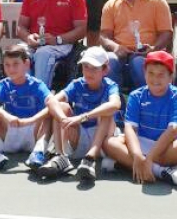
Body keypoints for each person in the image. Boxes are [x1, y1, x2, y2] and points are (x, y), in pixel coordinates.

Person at [102, 51, 177, 187]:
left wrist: (150, 158)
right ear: (144, 74)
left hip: (168, 144)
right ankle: (160, 171)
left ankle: (125, 163)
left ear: (171, 77)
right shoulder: (136, 96)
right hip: (142, 142)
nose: (155, 79)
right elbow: (130, 128)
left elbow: (172, 132)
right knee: (109, 143)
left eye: (161, 74)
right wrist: (137, 154)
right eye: (151, 73)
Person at [42, 46, 122, 180]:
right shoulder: (76, 84)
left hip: (103, 140)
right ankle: (61, 156)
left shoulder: (111, 85)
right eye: (86, 67)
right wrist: (64, 119)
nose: (89, 72)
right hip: (78, 137)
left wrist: (82, 117)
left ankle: (90, 159)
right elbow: (51, 101)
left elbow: (115, 105)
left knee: (106, 110)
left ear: (105, 70)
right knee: (61, 106)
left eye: (94, 68)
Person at [0, 43, 53, 174]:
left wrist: (31, 120)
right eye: (7, 65)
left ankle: (39, 151)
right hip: (10, 132)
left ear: (26, 64)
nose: (11, 69)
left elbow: (53, 103)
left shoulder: (38, 85)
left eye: (16, 64)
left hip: (32, 134)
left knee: (50, 111)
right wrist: (6, 116)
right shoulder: (3, 85)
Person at [100, 0, 173, 90]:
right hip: (120, 54)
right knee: (109, 61)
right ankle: (116, 107)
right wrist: (115, 47)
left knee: (139, 63)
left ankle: (147, 105)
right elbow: (104, 36)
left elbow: (166, 33)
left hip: (147, 54)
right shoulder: (111, 5)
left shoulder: (158, 2)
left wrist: (153, 48)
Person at [16, 0, 86, 86]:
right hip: (36, 43)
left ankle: (41, 99)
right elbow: (21, 27)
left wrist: (57, 39)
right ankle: (21, 97)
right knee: (17, 53)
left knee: (43, 53)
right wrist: (28, 38)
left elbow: (81, 30)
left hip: (62, 44)